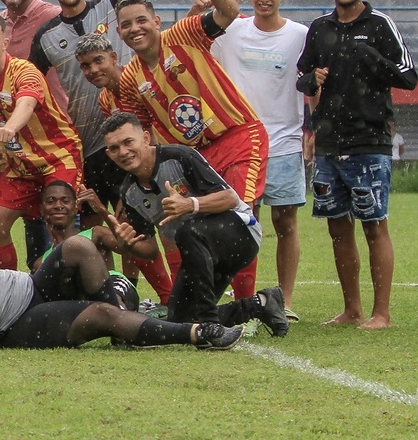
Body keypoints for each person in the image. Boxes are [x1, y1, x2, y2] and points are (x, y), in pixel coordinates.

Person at [0, 107, 241, 351]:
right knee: (100, 314)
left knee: (78, 246)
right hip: (13, 327)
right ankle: (196, 333)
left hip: (33, 287)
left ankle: (127, 321)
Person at [113, 0, 271, 301]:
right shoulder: (129, 79)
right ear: (119, 32)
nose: (135, 28)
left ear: (156, 21)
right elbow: (142, 134)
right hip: (193, 156)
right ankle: (186, 304)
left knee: (238, 216)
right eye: (126, 24)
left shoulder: (183, 33)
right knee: (176, 222)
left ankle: (247, 306)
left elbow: (229, 12)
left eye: (141, 20)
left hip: (237, 135)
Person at [27, 0, 186, 228]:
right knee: (96, 225)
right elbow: (29, 83)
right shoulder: (46, 36)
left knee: (145, 219)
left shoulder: (110, 4)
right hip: (88, 141)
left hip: (131, 132)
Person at [297, 0, 417, 330]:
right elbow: (301, 78)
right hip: (329, 143)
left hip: (370, 141)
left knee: (374, 225)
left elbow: (408, 76)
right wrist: (311, 80)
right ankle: (352, 310)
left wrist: (371, 57)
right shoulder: (320, 28)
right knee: (337, 227)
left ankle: (382, 313)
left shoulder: (380, 25)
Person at [101, 113, 287, 335]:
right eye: (114, 148)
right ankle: (261, 304)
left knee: (187, 231)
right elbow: (150, 251)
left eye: (128, 142)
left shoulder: (180, 156)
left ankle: (210, 324)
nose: (123, 152)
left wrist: (190, 204)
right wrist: (127, 244)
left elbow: (229, 198)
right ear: (108, 154)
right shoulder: (129, 192)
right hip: (198, 253)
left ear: (146, 138)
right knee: (180, 321)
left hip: (239, 234)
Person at [0, 13, 82, 273]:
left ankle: (71, 283)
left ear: (5, 42)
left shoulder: (23, 70)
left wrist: (9, 128)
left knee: (60, 221)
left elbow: (27, 103)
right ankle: (9, 286)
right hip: (21, 166)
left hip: (57, 158)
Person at [212, 0, 309, 319]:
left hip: (284, 142)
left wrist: (312, 129)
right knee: (242, 222)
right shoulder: (230, 31)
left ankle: (285, 300)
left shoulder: (301, 36)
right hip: (242, 144)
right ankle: (245, 297)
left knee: (286, 223)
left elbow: (312, 83)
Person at [72, 34, 174, 304]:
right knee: (135, 232)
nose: (93, 70)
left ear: (114, 57)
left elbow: (157, 125)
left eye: (98, 61)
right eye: (85, 65)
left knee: (172, 232)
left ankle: (184, 302)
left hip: (166, 165)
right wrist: (130, 188)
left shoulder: (138, 80)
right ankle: (169, 299)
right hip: (140, 174)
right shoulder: (106, 99)